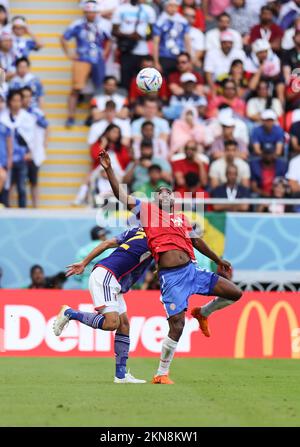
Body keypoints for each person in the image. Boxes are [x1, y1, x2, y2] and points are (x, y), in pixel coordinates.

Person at [100, 150, 243, 384]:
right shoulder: (147, 211)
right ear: (155, 199)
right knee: (177, 325)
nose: (166, 195)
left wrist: (218, 260)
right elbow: (120, 195)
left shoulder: (182, 218)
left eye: (169, 193)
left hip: (192, 271)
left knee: (235, 293)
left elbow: (197, 241)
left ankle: (203, 312)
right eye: (161, 194)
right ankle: (161, 373)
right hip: (172, 277)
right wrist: (108, 170)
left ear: (174, 200)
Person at [53, 226, 153, 384]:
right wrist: (84, 263)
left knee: (124, 325)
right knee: (112, 323)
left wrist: (85, 263)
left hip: (114, 279)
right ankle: (70, 313)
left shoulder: (137, 230)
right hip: (107, 275)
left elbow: (106, 243)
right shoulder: (156, 237)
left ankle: (120, 376)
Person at [60, 0, 112, 128]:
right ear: (84, 12)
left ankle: (93, 116)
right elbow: (63, 38)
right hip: (82, 58)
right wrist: (70, 54)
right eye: (88, 12)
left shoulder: (103, 24)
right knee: (76, 89)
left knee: (99, 89)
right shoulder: (77, 24)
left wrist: (105, 53)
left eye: (93, 12)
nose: (91, 15)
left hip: (97, 60)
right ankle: (70, 116)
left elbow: (109, 39)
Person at [1, 89, 35, 208]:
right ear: (9, 102)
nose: (16, 103)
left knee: (21, 187)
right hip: (5, 158)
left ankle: (23, 212)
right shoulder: (3, 116)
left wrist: (29, 152)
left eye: (19, 100)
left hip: (21, 157)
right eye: (14, 100)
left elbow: (31, 138)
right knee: (6, 186)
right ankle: (5, 210)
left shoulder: (27, 118)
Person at [112, 0, 156, 89]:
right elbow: (114, 31)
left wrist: (141, 36)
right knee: (125, 80)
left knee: (144, 81)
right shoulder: (121, 9)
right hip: (127, 51)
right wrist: (129, 36)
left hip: (143, 51)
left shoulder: (149, 10)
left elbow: (151, 32)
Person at [21, 86, 49, 208]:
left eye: (28, 96)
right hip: (19, 152)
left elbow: (46, 126)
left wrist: (44, 143)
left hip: (34, 152)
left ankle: (35, 207)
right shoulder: (15, 113)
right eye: (24, 96)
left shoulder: (36, 112)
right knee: (17, 182)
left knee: (34, 181)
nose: (26, 99)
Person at [153, 0, 192, 77]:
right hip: (164, 56)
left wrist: (189, 60)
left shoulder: (183, 21)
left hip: (180, 57)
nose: (173, 8)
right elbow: (155, 43)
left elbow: (187, 42)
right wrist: (156, 62)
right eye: (171, 6)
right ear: (166, 6)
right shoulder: (159, 21)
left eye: (175, 6)